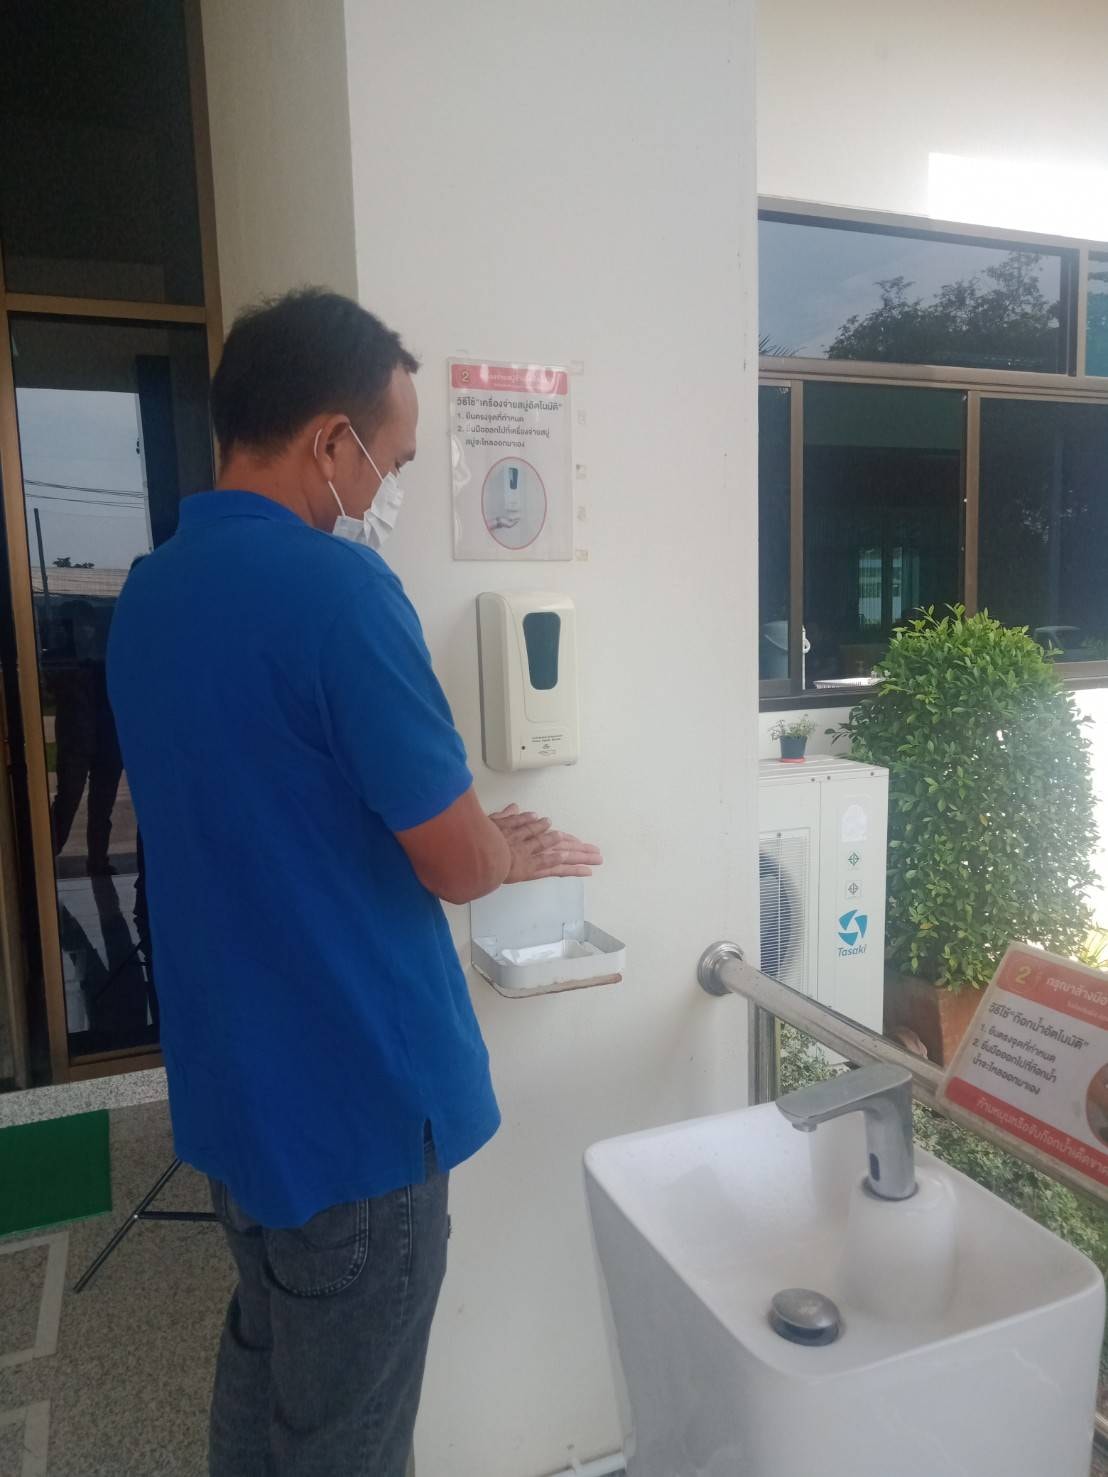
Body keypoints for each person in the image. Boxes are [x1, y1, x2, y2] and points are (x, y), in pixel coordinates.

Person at [107, 288, 602, 1477]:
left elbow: (270, 813)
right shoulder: (339, 594)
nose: (385, 488)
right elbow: (454, 861)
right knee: (349, 1439)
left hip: (237, 1101)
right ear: (331, 440)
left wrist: (464, 831)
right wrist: (501, 847)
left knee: (265, 1363)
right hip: (357, 1113)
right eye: (392, 458)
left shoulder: (149, 596)